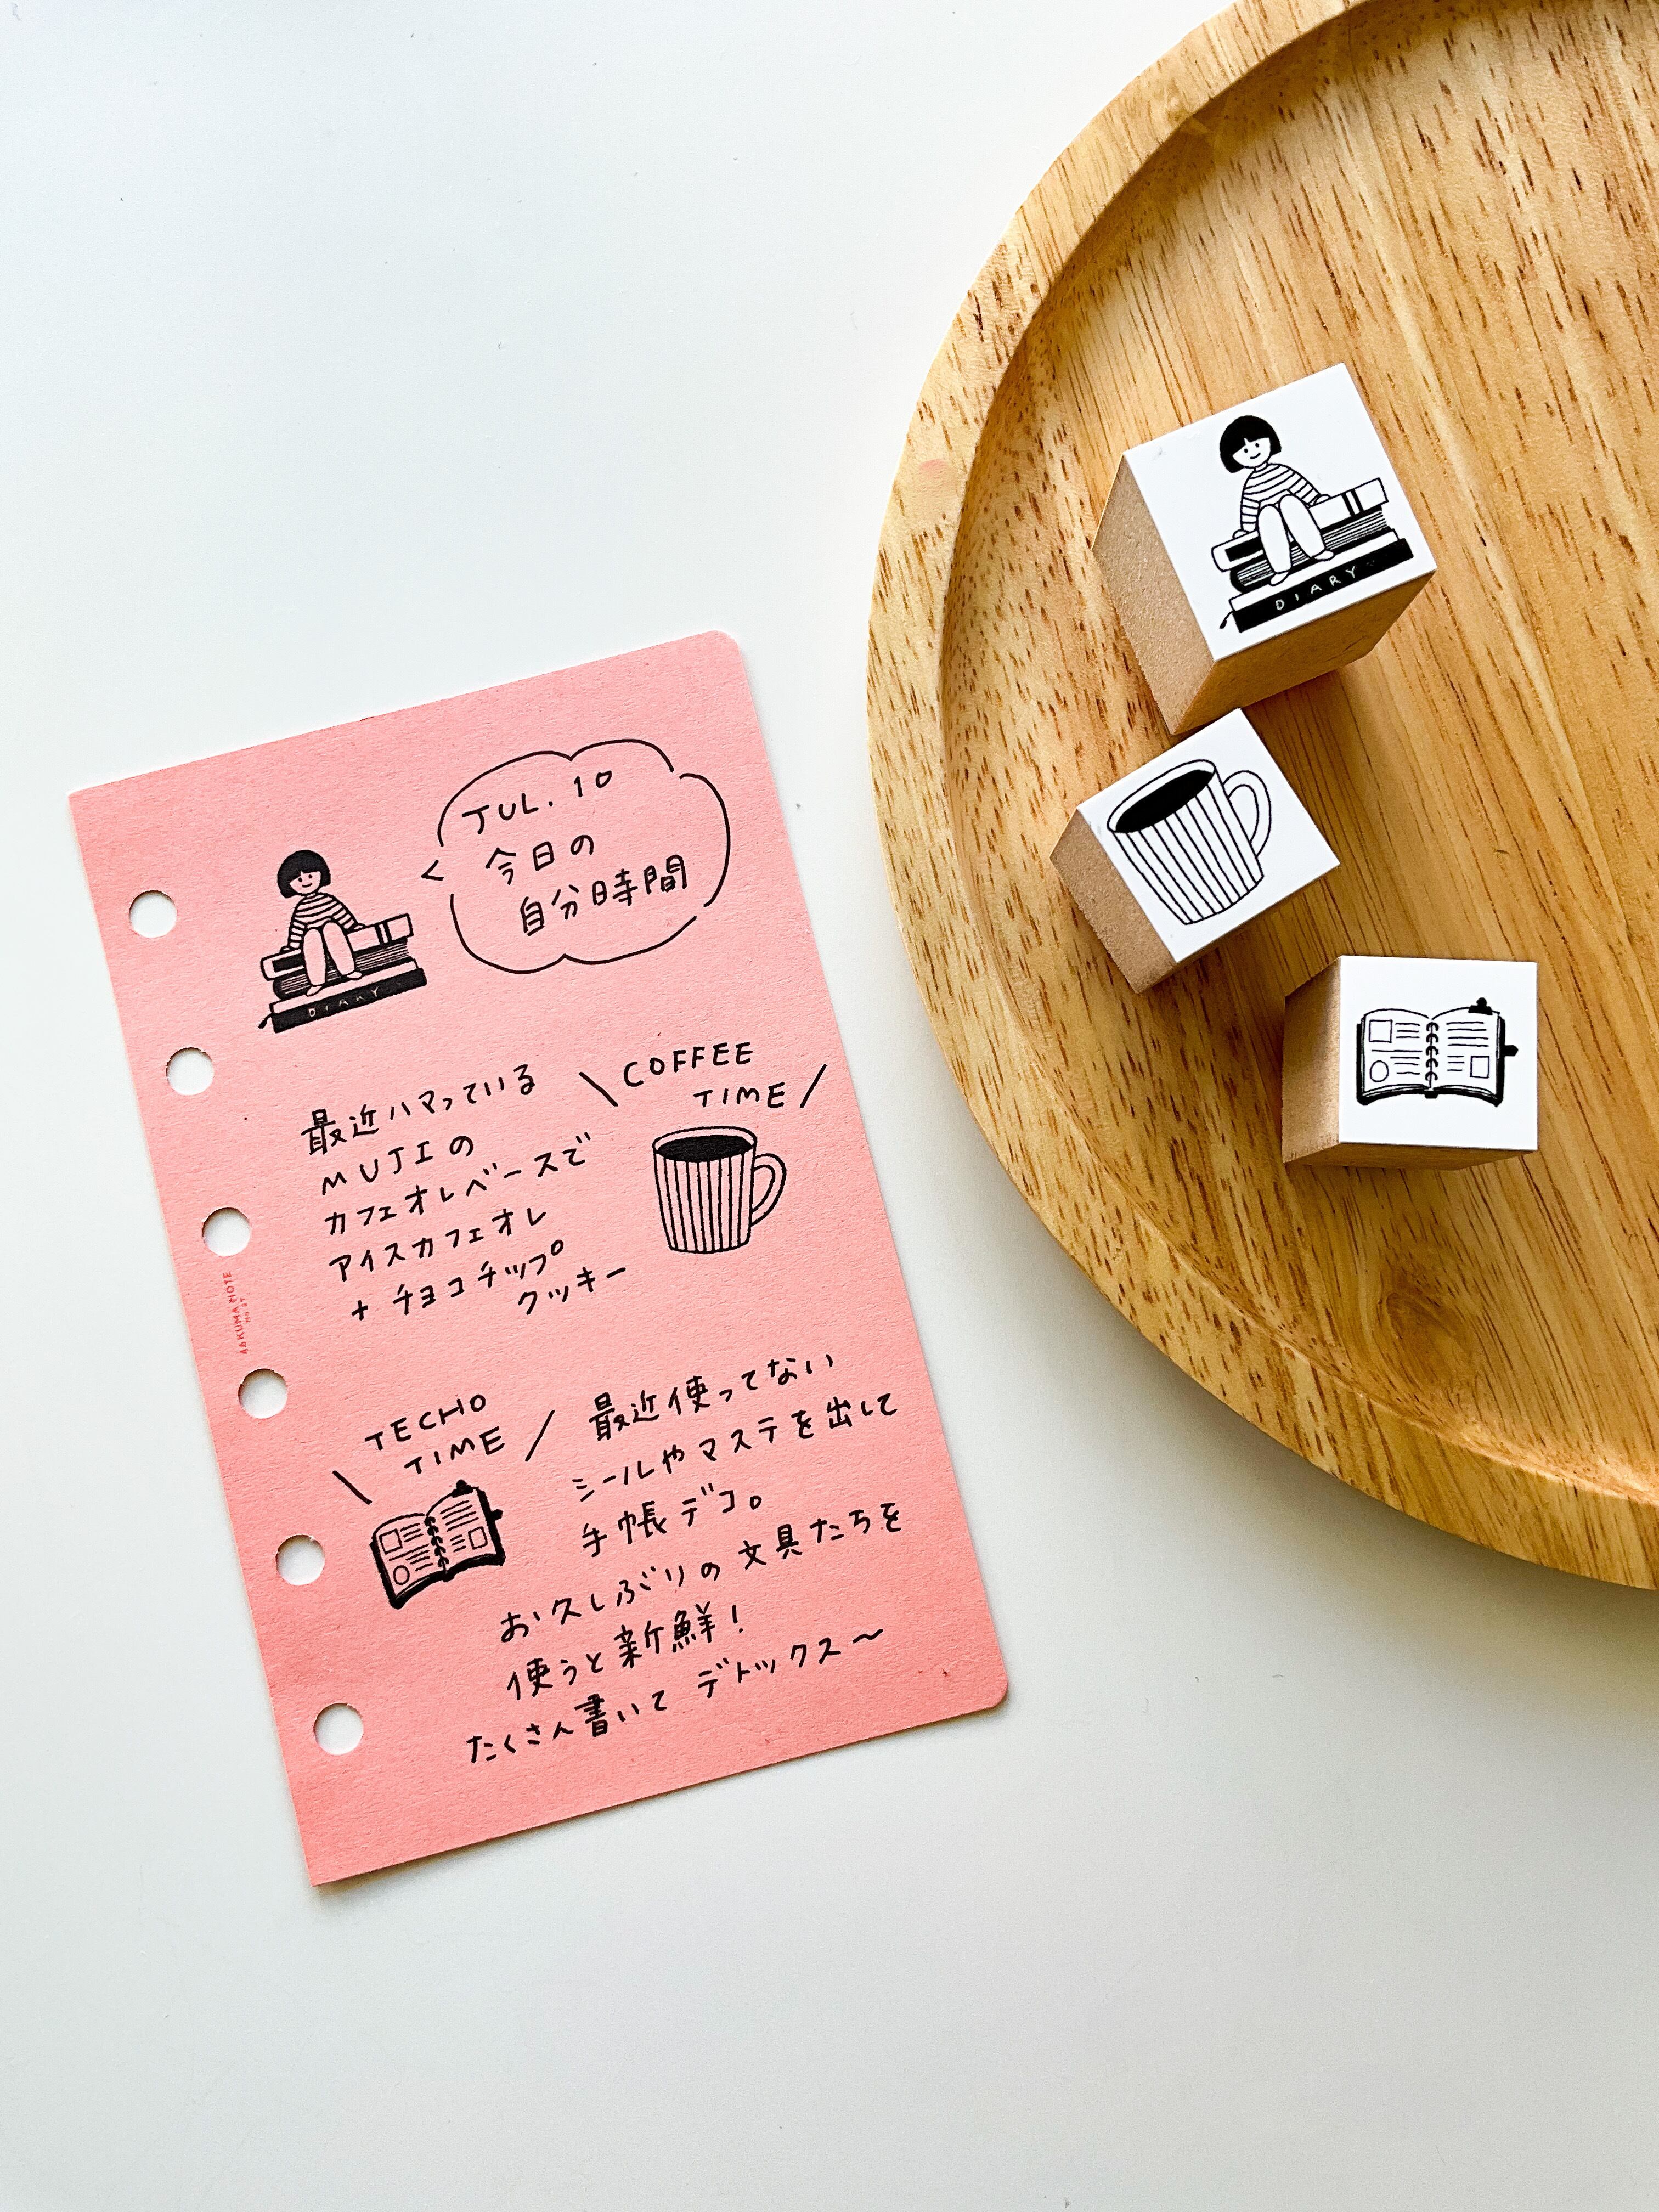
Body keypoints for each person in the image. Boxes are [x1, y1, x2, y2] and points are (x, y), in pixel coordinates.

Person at [1219, 413, 1324, 585]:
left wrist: (1315, 499)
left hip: (1293, 512)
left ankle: (1317, 551)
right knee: (1267, 513)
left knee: (1289, 502)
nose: (1253, 452)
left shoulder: (1282, 471)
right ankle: (1281, 568)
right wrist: (1247, 530)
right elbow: (1250, 510)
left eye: (1257, 444)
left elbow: (1299, 486)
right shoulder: (1251, 486)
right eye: (1245, 451)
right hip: (1270, 522)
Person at [276, 849, 360, 994]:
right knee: (311, 936)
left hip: (332, 931)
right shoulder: (301, 909)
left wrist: (353, 926)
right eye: (299, 880)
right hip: (312, 936)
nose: (306, 882)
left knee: (331, 928)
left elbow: (341, 914)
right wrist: (293, 946)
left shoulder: (328, 900)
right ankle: (317, 981)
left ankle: (348, 970)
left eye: (310, 876)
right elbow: (298, 929)